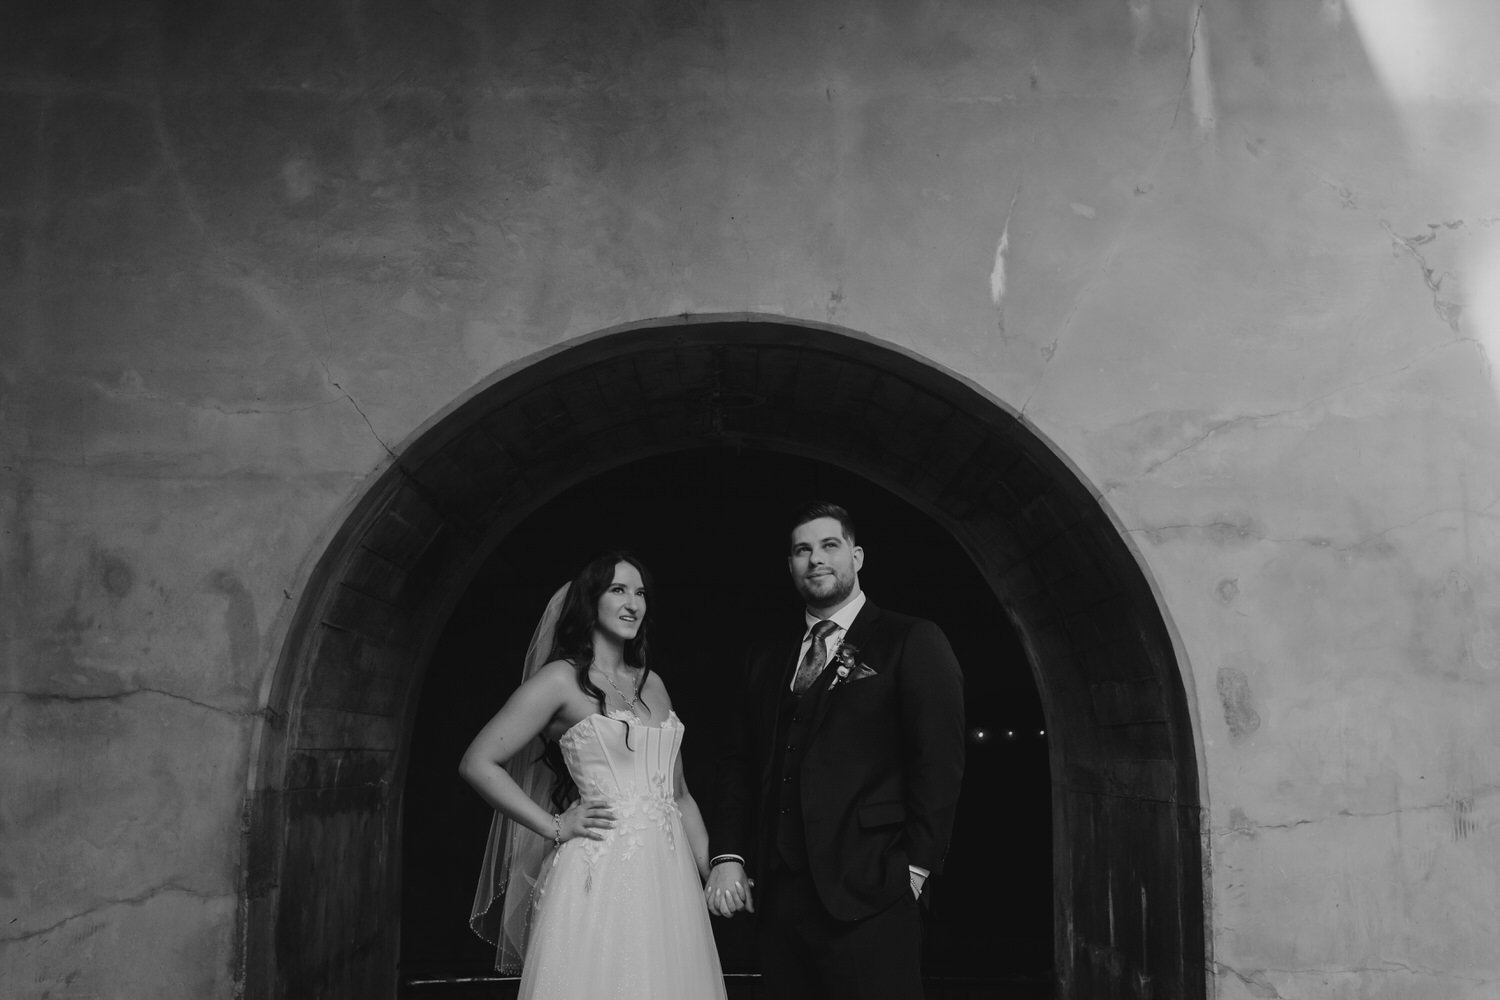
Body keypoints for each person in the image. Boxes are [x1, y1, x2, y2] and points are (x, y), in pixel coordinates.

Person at [706, 501, 966, 999]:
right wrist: (730, 855)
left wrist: (914, 871)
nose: (815, 559)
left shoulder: (911, 639)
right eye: (802, 550)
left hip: (873, 889)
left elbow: (940, 763)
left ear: (857, 556)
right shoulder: (766, 656)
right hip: (780, 898)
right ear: (790, 566)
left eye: (829, 545)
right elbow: (738, 764)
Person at [460, 551, 727, 1000]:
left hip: (669, 879)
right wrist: (556, 825)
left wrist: (714, 869)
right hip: (600, 873)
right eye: (618, 590)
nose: (633, 603)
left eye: (640, 593)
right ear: (590, 601)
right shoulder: (560, 681)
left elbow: (679, 796)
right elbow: (477, 762)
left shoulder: (653, 683)